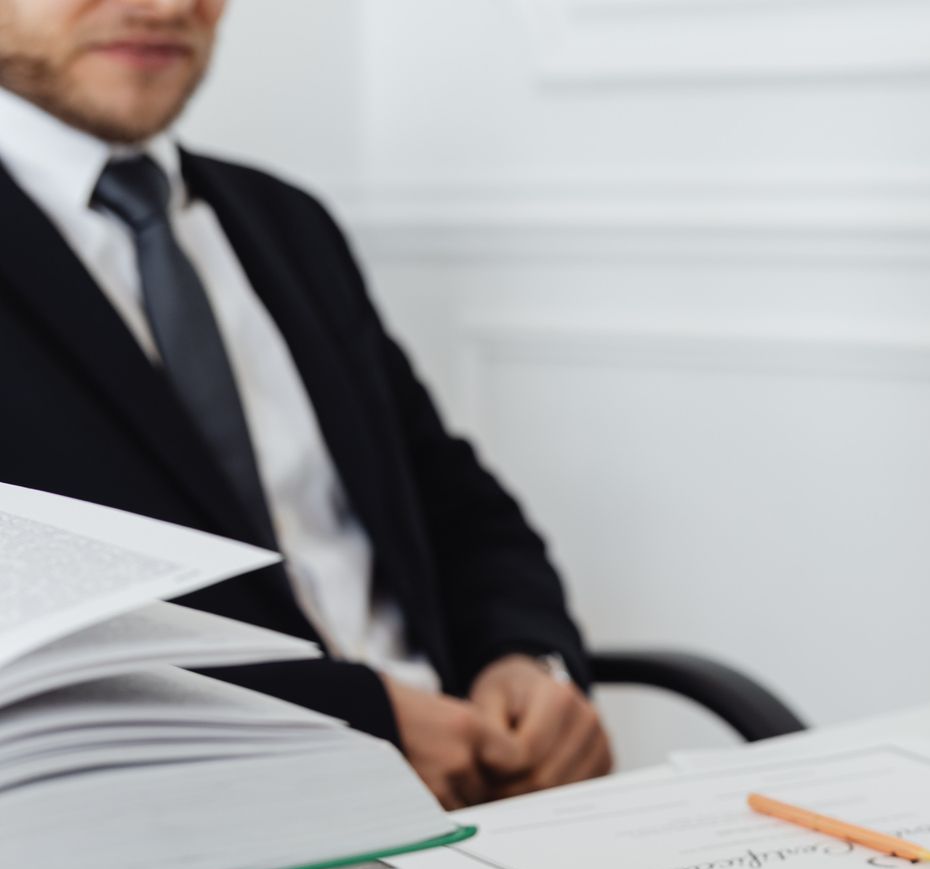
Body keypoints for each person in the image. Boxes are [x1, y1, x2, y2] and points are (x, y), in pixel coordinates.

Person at [0, 0, 612, 807]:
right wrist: (362, 720)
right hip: (184, 842)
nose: (167, 6)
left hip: (476, 800)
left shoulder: (286, 223)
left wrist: (526, 659)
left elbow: (453, 505)